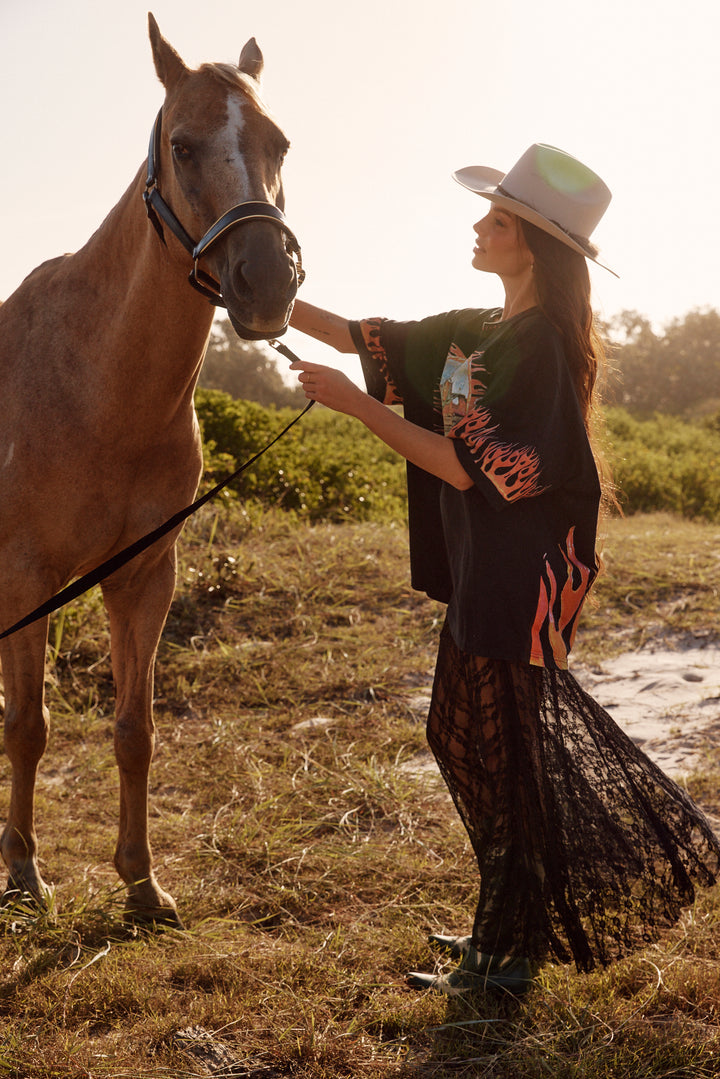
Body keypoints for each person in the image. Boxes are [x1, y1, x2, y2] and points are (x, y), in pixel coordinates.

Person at [287, 143, 720, 995]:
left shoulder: (541, 349)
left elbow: (467, 468)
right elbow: (362, 336)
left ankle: (512, 951)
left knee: (502, 755)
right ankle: (507, 919)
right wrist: (258, 289)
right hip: (483, 565)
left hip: (527, 575)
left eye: (497, 220)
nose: (478, 227)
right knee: (460, 741)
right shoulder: (476, 328)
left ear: (532, 244)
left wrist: (355, 403)